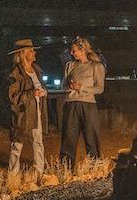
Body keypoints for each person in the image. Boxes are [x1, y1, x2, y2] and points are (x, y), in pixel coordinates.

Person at [6, 38, 48, 187]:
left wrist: (43, 92)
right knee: (17, 145)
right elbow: (13, 96)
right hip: (23, 114)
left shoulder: (36, 70)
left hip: (37, 112)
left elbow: (39, 88)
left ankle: (40, 175)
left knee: (38, 143)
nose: (34, 52)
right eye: (31, 50)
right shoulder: (15, 73)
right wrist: (32, 94)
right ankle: (12, 177)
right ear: (23, 54)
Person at [60, 36, 106, 170]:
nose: (71, 53)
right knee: (68, 138)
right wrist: (71, 86)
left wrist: (82, 88)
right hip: (71, 104)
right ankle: (65, 170)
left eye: (74, 50)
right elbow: (63, 86)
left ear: (83, 50)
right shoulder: (70, 65)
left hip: (88, 105)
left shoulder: (96, 66)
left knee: (91, 137)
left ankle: (95, 168)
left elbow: (99, 89)